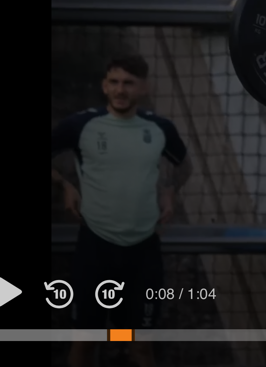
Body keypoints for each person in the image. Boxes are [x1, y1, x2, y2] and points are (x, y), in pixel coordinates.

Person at [51, 53, 192, 367]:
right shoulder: (81, 125)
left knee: (138, 345)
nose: (120, 90)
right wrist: (65, 184)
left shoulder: (159, 129)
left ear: (143, 88)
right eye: (114, 82)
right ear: (104, 86)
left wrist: (169, 190)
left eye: (128, 83)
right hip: (95, 249)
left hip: (142, 254)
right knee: (86, 342)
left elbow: (184, 165)